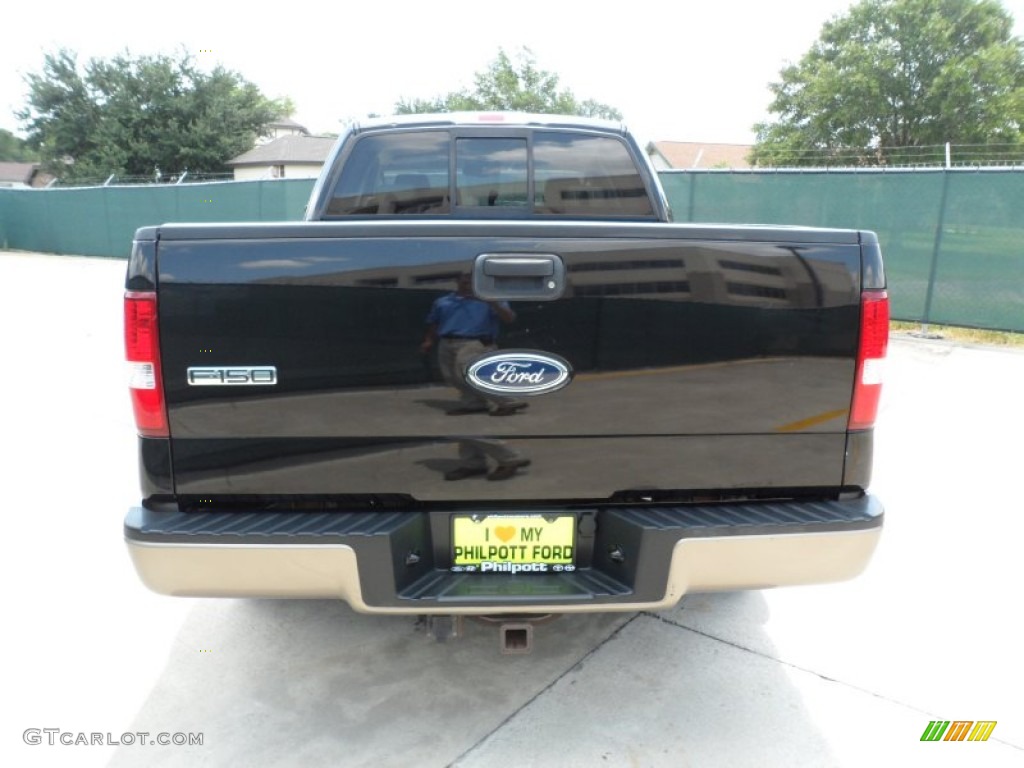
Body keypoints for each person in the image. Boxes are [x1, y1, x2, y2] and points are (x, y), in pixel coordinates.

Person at [420, 274, 531, 481]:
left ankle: (507, 401)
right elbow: (434, 322)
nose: (468, 285)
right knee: (452, 378)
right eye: (464, 281)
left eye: (473, 282)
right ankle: (474, 458)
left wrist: (491, 302)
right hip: (447, 342)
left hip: (476, 343)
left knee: (467, 375)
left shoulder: (490, 299)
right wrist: (428, 340)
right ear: (458, 282)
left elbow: (509, 318)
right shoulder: (443, 302)